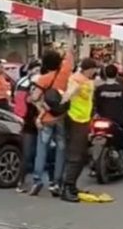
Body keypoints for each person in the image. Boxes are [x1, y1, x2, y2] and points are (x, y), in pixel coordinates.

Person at [28, 42, 74, 197]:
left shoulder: (43, 79)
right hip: (61, 117)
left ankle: (37, 180)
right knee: (61, 150)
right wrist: (63, 47)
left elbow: (34, 97)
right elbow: (70, 54)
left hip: (46, 120)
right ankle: (57, 182)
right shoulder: (66, 73)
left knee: (42, 149)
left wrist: (42, 109)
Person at [60, 58, 98, 202]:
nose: (95, 72)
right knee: (75, 156)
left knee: (82, 156)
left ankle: (72, 186)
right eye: (94, 69)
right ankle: (67, 188)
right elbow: (70, 92)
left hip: (84, 120)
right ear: (90, 68)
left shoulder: (88, 80)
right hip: (75, 120)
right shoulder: (76, 79)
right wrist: (66, 97)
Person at [13, 60, 43, 192]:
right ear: (29, 70)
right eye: (35, 70)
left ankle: (36, 180)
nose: (37, 73)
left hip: (39, 122)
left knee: (38, 154)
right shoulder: (24, 85)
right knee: (28, 153)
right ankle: (21, 181)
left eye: (39, 70)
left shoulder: (39, 83)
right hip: (29, 123)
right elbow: (20, 104)